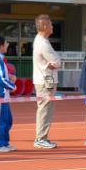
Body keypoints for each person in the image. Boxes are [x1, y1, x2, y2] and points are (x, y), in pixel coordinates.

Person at [32, 13, 61, 149]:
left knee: (45, 109)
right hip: (45, 81)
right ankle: (41, 138)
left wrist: (54, 62)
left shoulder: (43, 40)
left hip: (45, 79)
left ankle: (42, 137)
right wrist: (55, 62)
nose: (52, 26)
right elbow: (57, 61)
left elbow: (55, 62)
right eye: (50, 24)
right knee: (45, 109)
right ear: (44, 26)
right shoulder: (43, 43)